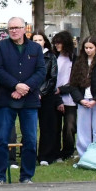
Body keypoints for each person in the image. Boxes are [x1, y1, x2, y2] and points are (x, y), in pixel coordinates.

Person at [0, 16, 45, 184]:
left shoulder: (35, 48)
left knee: (30, 139)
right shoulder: (0, 47)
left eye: (17, 27)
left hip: (29, 100)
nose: (13, 30)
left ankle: (26, 175)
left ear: (24, 28)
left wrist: (24, 88)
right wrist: (15, 86)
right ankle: (0, 176)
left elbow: (41, 71)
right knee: (2, 138)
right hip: (6, 99)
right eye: (11, 28)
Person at [69, 37, 96, 158]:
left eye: (90, 48)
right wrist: (80, 100)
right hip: (83, 101)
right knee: (83, 130)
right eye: (86, 48)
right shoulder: (79, 63)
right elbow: (73, 84)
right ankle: (83, 155)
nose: (88, 50)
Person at [33, 32, 61, 165]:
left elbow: (52, 77)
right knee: (30, 127)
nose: (37, 42)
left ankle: (45, 156)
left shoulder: (51, 56)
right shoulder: (28, 55)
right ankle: (30, 155)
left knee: (47, 126)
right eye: (35, 40)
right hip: (30, 94)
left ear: (44, 42)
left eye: (40, 40)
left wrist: (41, 92)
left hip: (47, 95)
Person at [52, 31, 77, 161]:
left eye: (59, 42)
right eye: (55, 43)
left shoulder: (74, 58)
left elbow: (75, 80)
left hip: (70, 98)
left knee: (69, 127)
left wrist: (61, 89)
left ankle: (68, 152)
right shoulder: (54, 57)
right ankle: (55, 152)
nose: (57, 45)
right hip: (55, 97)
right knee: (55, 127)